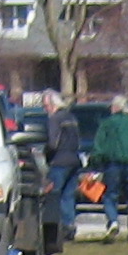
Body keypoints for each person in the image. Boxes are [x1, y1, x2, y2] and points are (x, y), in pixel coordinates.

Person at [90, 96, 128, 239]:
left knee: (111, 195)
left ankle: (113, 221)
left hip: (112, 165)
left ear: (116, 107)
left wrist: (96, 162)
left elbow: (99, 145)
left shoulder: (107, 124)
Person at [36, 89, 81, 247]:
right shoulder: (71, 117)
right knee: (68, 196)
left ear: (53, 104)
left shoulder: (54, 119)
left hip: (59, 162)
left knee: (54, 197)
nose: (45, 109)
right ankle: (70, 227)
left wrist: (44, 153)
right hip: (74, 161)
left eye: (46, 105)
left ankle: (55, 231)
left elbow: (53, 143)